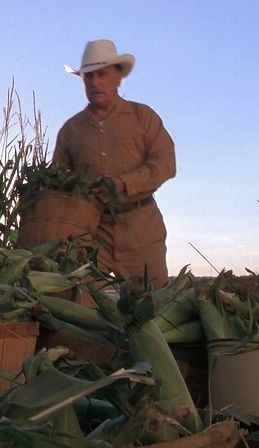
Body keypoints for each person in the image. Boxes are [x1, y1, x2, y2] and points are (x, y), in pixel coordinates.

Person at [52, 39, 176, 289]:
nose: (95, 83)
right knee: (79, 300)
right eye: (89, 76)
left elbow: (166, 163)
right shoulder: (71, 130)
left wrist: (123, 184)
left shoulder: (143, 117)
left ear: (119, 77)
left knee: (152, 302)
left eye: (102, 74)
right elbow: (58, 181)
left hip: (141, 231)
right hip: (91, 232)